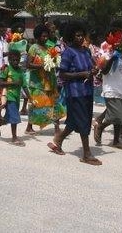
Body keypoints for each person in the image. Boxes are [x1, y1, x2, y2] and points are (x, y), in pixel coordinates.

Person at [47, 22, 102, 166]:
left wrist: (93, 71)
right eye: (77, 35)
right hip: (75, 92)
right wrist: (81, 74)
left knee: (73, 121)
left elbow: (90, 68)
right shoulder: (68, 52)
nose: (80, 37)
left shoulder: (86, 51)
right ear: (71, 36)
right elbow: (63, 74)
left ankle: (58, 140)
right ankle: (86, 153)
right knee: (84, 121)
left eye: (82, 35)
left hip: (88, 90)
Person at [93, 20, 122, 150]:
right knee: (116, 114)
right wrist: (113, 57)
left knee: (120, 118)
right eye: (119, 33)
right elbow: (103, 69)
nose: (121, 35)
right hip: (111, 86)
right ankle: (100, 126)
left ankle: (116, 141)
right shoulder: (105, 47)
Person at [24, 24, 66, 135]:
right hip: (37, 83)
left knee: (54, 103)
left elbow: (55, 59)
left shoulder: (50, 47)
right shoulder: (33, 48)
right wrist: (42, 66)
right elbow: (27, 64)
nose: (45, 38)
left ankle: (57, 128)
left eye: (47, 36)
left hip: (50, 80)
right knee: (36, 104)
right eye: (43, 36)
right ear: (38, 36)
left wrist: (55, 62)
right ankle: (29, 127)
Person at [0, 47, 26, 146]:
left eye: (17, 60)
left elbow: (24, 85)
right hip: (8, 96)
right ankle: (14, 138)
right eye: (13, 60)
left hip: (16, 98)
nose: (15, 62)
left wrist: (30, 97)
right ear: (9, 60)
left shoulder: (20, 71)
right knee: (15, 117)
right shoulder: (7, 69)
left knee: (9, 117)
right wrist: (13, 83)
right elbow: (1, 82)